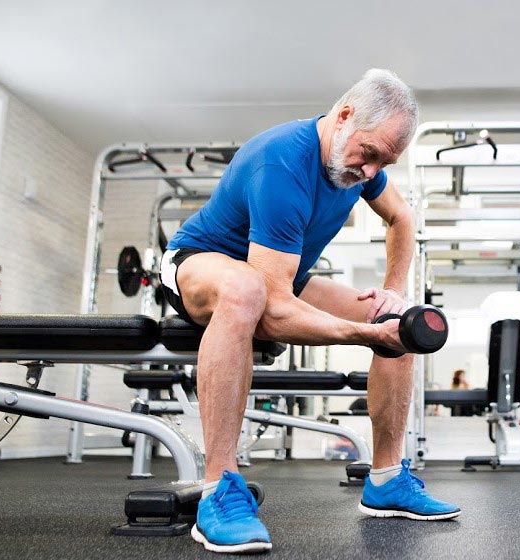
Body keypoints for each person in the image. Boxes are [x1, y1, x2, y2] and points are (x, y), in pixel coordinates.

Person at [160, 69, 460, 554]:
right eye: (369, 154)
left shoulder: (362, 161)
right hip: (198, 263)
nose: (370, 173)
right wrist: (362, 338)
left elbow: (402, 217)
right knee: (244, 292)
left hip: (276, 276)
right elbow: (274, 312)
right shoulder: (280, 162)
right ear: (343, 116)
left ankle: (385, 480)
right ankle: (219, 490)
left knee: (395, 325)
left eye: (384, 162)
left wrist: (393, 293)